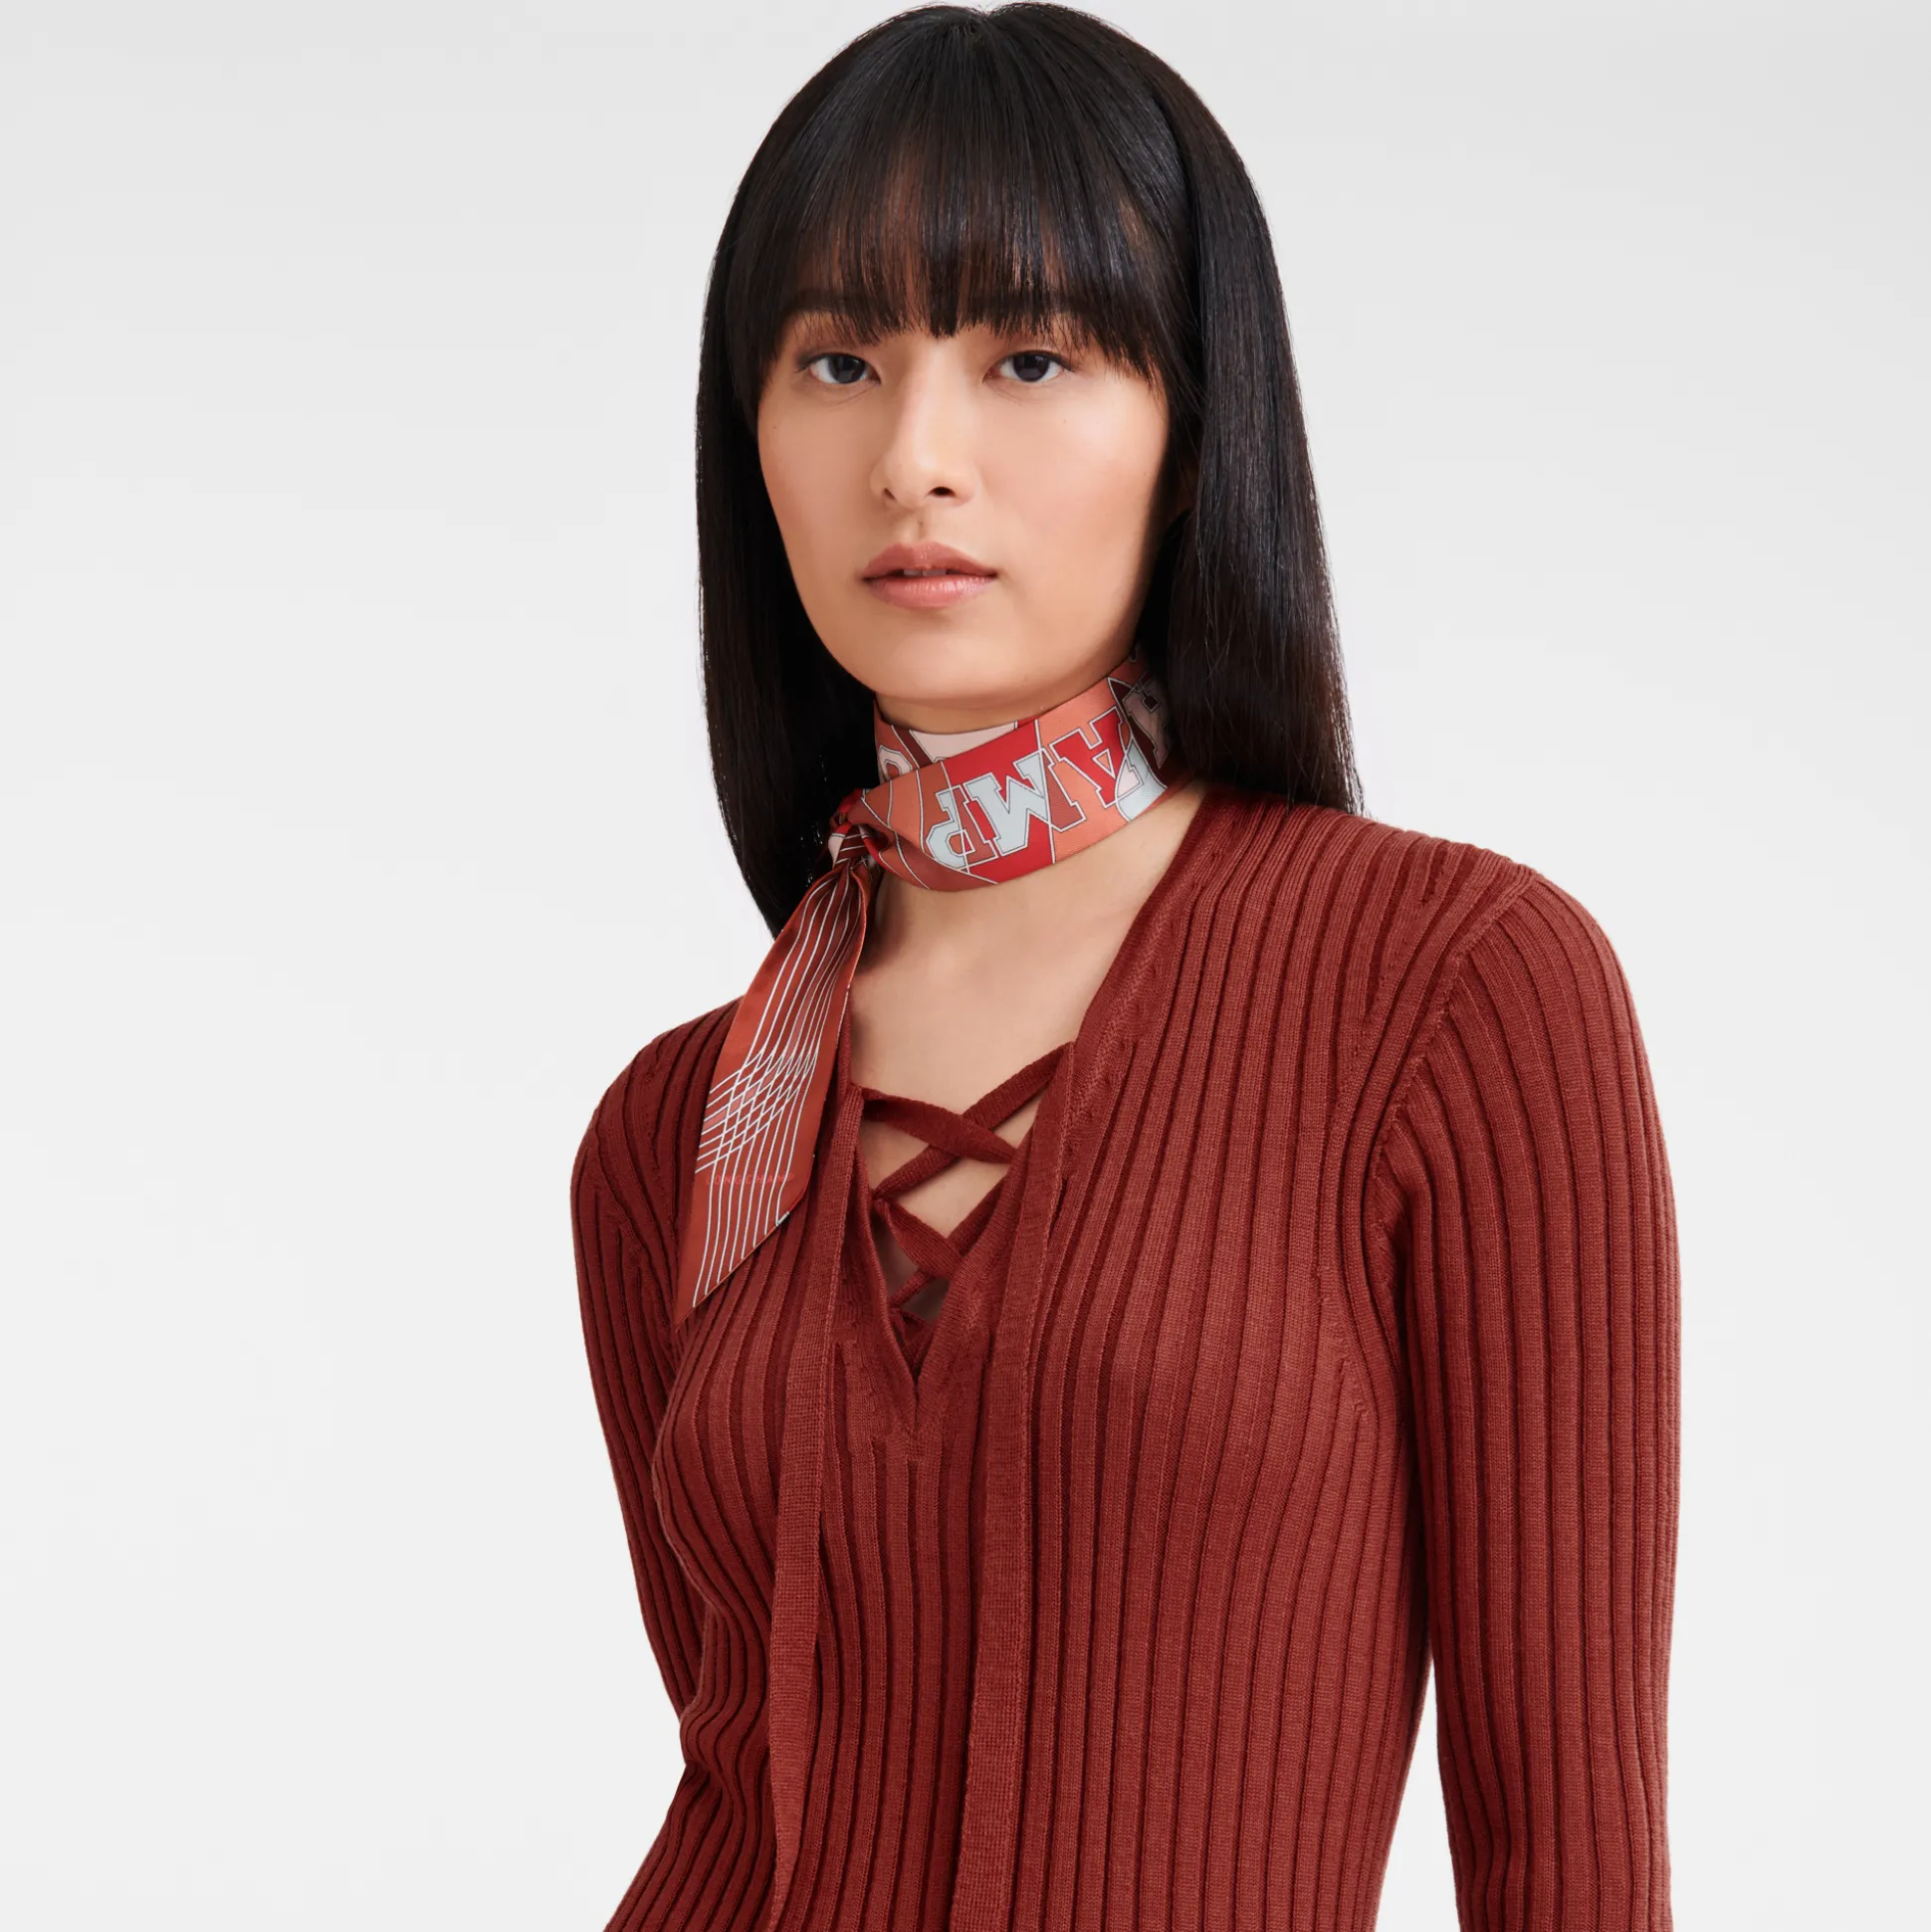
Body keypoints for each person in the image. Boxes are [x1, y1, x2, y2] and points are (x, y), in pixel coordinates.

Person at [568, 7, 1679, 1930]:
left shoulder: (1455, 991)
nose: (914, 457)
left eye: (1029, 357)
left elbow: (1567, 1849)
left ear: (1193, 430)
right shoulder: (682, 1128)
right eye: (837, 361)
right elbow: (745, 1764)